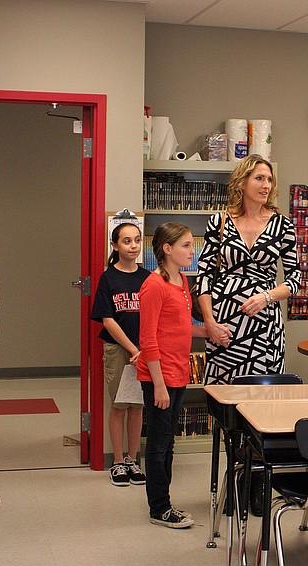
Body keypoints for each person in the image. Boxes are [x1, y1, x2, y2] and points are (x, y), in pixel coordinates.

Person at [195, 154, 301, 385]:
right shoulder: (219, 221)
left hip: (265, 322)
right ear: (242, 182)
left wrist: (267, 297)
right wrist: (209, 323)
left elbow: (295, 278)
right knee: (225, 393)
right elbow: (204, 276)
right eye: (259, 178)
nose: (266, 185)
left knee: (264, 393)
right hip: (224, 323)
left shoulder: (282, 225)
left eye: (269, 180)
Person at [136, 223, 208, 528]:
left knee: (168, 443)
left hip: (177, 373)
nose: (193, 251)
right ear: (167, 249)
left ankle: (164, 502)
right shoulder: (154, 285)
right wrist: (159, 386)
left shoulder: (182, 281)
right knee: (158, 444)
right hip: (159, 377)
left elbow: (181, 327)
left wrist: (211, 332)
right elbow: (148, 339)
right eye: (186, 246)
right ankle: (160, 508)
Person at [91, 221, 151, 486]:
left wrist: (145, 349)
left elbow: (154, 316)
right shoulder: (108, 278)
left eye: (137, 240)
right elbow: (108, 320)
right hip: (119, 349)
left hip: (144, 350)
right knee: (119, 404)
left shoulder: (148, 277)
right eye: (126, 241)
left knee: (137, 406)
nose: (133, 246)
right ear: (114, 245)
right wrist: (133, 349)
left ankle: (132, 459)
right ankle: (117, 461)